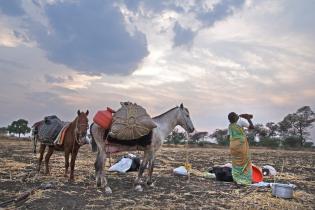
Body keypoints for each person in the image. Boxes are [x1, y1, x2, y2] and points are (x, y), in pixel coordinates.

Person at [227, 112, 254, 185]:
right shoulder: (240, 122)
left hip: (232, 146)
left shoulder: (230, 126)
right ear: (236, 117)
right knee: (245, 161)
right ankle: (245, 180)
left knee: (236, 162)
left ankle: (236, 178)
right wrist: (248, 118)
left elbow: (228, 137)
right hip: (241, 145)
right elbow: (252, 127)